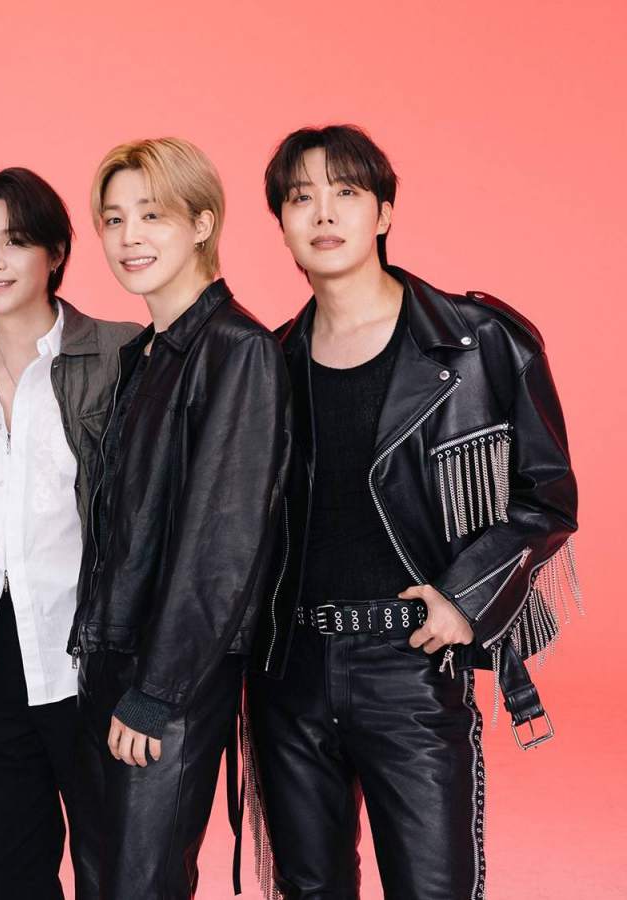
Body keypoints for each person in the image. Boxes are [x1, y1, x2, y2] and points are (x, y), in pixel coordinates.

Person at [247, 123, 581, 899]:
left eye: (346, 192)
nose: (323, 213)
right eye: (300, 198)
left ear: (385, 212)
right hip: (289, 674)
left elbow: (548, 493)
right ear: (282, 224)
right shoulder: (267, 364)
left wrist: (465, 598)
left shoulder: (476, 343)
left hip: (412, 666)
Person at [71, 137, 290, 898]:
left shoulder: (238, 350)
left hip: (168, 684)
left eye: (152, 215)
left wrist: (157, 692)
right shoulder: (143, 356)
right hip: (112, 667)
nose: (129, 237)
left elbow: (222, 547)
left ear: (202, 223)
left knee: (143, 885)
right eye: (114, 219)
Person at [0, 167, 139, 899]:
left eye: (15, 241)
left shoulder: (123, 355)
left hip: (93, 660)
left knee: (118, 871)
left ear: (55, 252)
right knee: (9, 874)